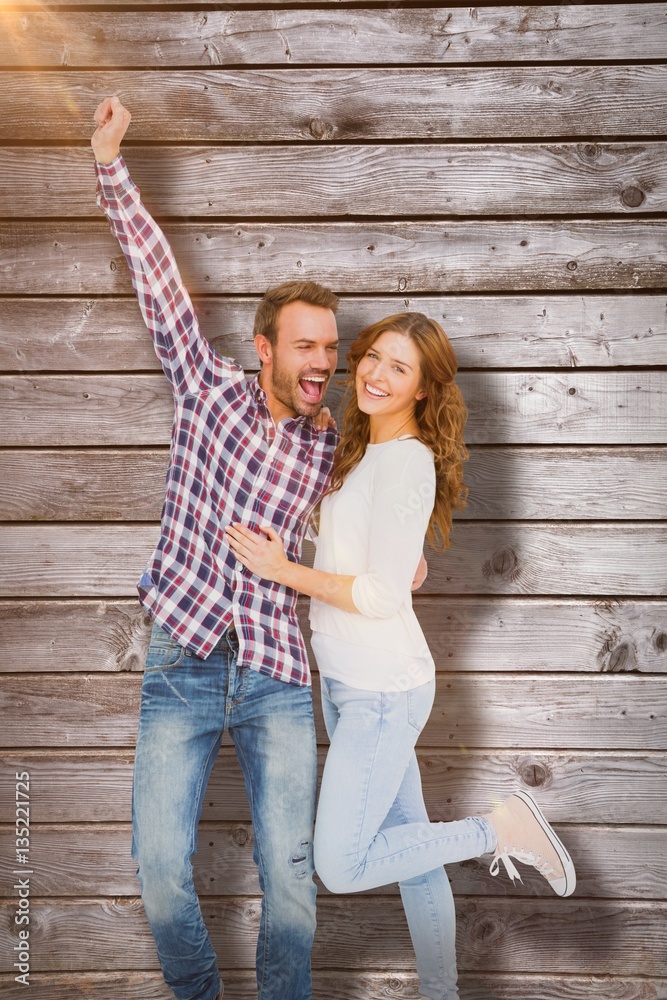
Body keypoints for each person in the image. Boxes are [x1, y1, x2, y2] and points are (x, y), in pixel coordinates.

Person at [90, 94, 427, 1000]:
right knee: (159, 864)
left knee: (292, 878)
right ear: (264, 349)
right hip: (184, 658)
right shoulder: (208, 393)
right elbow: (156, 280)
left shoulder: (336, 448)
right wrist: (110, 163)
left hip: (278, 674)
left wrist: (407, 553)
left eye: (334, 347)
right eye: (308, 346)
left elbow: (379, 519)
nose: (328, 361)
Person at [226, 311, 577, 1000]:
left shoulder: (408, 459)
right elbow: (374, 558)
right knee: (412, 855)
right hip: (357, 682)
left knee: (340, 863)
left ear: (422, 389)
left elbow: (382, 596)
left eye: (399, 368)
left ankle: (495, 828)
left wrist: (281, 570)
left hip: (381, 692)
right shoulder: (363, 452)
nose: (377, 375)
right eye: (373, 358)